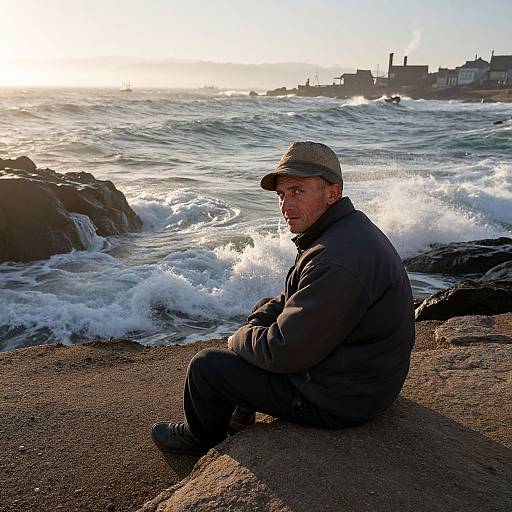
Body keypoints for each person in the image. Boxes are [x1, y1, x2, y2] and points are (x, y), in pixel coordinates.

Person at [151, 141, 415, 456]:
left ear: (331, 193)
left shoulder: (335, 260)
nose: (286, 204)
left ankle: (202, 438)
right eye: (282, 194)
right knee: (264, 308)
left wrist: (239, 338)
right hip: (360, 377)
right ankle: (241, 411)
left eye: (298, 191)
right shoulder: (345, 230)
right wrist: (259, 320)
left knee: (207, 368)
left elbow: (284, 353)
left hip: (343, 400)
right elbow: (293, 295)